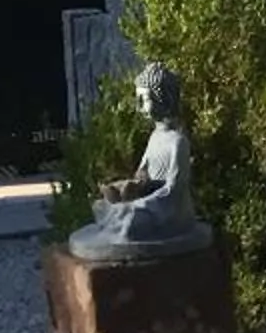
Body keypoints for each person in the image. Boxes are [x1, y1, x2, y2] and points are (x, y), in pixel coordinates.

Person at [74, 63, 208, 258]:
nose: (138, 106)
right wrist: (123, 188)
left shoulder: (178, 142)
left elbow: (174, 190)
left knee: (130, 219)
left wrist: (141, 204)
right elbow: (142, 175)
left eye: (144, 99)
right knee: (103, 207)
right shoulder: (155, 136)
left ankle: (123, 222)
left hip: (170, 211)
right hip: (148, 200)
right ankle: (119, 218)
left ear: (164, 99)